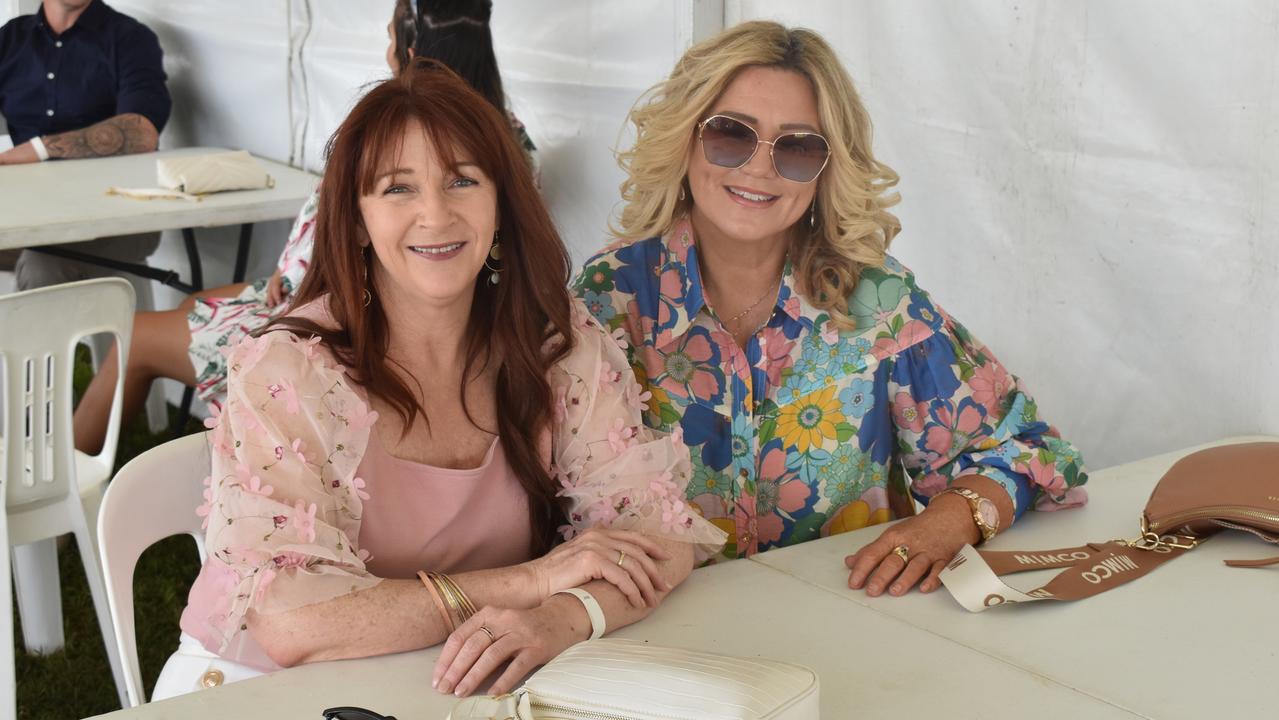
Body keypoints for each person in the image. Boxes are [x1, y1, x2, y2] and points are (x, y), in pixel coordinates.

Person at [154, 61, 724, 701]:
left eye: (462, 180)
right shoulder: (290, 366)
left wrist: (562, 616)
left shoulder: (554, 340)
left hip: (453, 672)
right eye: (398, 188)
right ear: (357, 218)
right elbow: (294, 622)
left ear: (502, 204)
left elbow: (660, 532)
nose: (435, 213)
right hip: (261, 688)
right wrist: (528, 583)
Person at [574, 21, 1089, 597]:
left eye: (797, 146)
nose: (761, 166)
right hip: (666, 640)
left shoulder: (877, 303)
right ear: (684, 138)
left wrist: (947, 521)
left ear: (827, 170)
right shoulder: (609, 298)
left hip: (851, 621)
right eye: (730, 134)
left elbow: (1030, 449)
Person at [71, 0, 537, 455]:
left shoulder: (377, 138)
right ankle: (214, 447)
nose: (435, 212)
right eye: (401, 188)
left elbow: (309, 281)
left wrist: (290, 280)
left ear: (411, 50)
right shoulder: (512, 136)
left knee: (135, 338)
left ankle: (62, 482)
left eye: (391, 37)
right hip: (379, 302)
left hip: (342, 312)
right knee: (198, 299)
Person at [0, 0, 170, 289]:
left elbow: (142, 132)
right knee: (39, 256)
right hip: (31, 213)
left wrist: (41, 149)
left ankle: (56, 335)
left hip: (117, 219)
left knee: (43, 264)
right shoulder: (10, 38)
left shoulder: (130, 38)